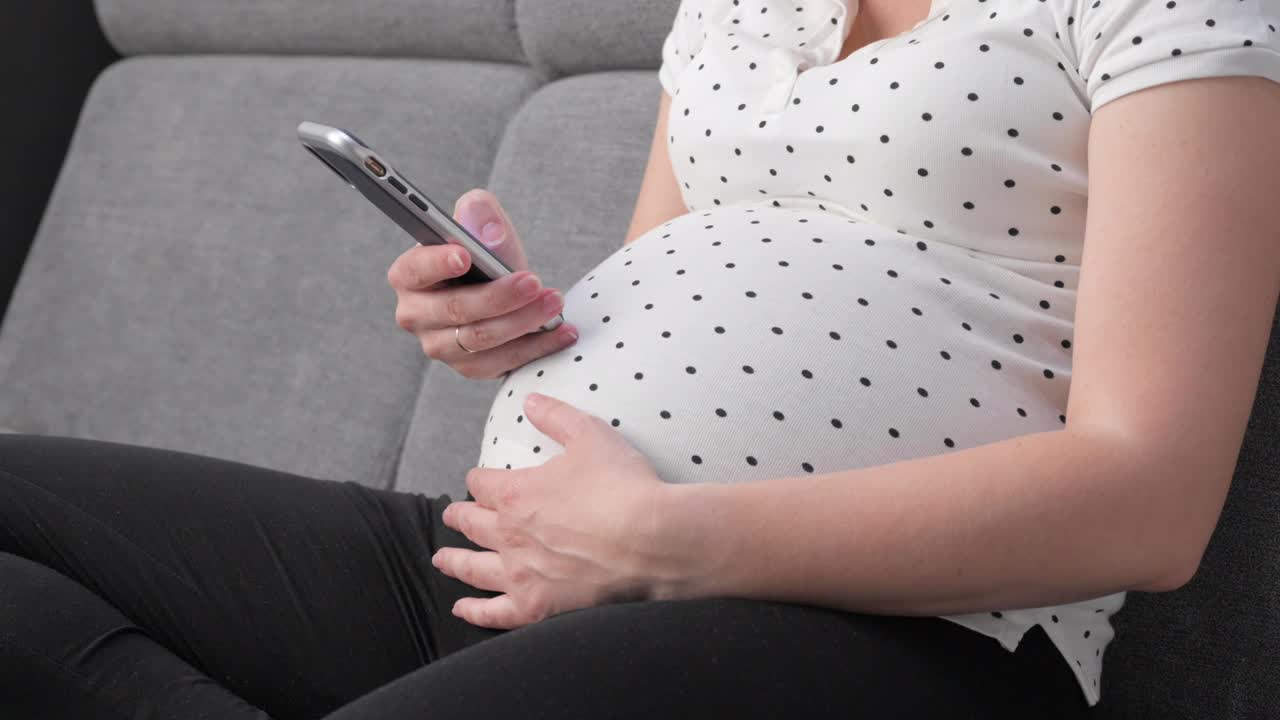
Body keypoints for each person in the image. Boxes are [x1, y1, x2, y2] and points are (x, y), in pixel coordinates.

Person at [3, 0, 1279, 717]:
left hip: (907, 637)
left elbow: (1149, 495)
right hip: (524, 565)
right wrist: (502, 326)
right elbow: (670, 292)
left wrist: (665, 542)